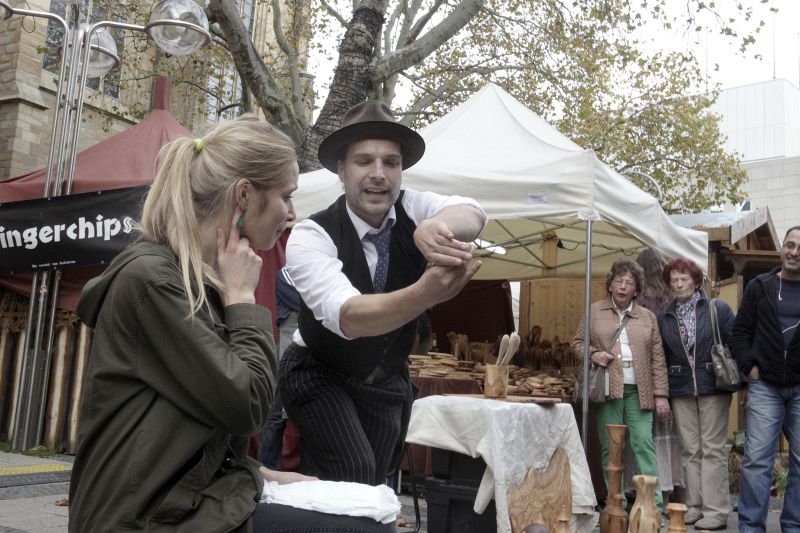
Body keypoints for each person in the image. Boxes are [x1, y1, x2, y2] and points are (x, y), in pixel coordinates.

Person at [68, 115, 395, 532]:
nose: (291, 214)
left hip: (183, 500)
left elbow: (201, 429)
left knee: (366, 514)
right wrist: (242, 299)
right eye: (286, 196)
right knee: (363, 529)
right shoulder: (153, 281)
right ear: (244, 196)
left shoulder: (193, 279)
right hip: (141, 518)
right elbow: (247, 408)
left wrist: (265, 474)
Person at [280, 100, 486, 485]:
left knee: (375, 482)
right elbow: (349, 316)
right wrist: (425, 294)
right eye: (364, 161)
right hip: (319, 373)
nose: (379, 174)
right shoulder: (312, 235)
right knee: (351, 472)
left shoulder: (414, 207)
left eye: (391, 163)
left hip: (386, 379)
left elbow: (473, 213)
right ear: (341, 170)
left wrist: (435, 226)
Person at [571, 258, 670, 510]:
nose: (623, 286)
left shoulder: (647, 317)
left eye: (629, 282)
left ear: (636, 290)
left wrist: (661, 394)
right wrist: (593, 354)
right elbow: (577, 344)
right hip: (608, 389)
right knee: (611, 447)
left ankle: (652, 503)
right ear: (610, 285)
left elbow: (658, 358)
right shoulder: (594, 311)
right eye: (619, 281)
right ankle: (616, 503)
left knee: (643, 443)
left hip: (640, 390)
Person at [731, 225, 800, 533]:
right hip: (765, 386)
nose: (794, 252)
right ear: (781, 248)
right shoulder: (760, 286)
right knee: (757, 460)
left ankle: (794, 525)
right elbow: (740, 332)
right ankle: (750, 527)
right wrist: (750, 368)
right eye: (790, 245)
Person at [658, 257, 735, 530]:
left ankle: (716, 511)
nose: (679, 284)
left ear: (696, 281)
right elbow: (663, 356)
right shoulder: (665, 317)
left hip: (713, 385)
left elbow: (735, 342)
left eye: (684, 279)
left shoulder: (717, 309)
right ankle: (694, 506)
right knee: (690, 450)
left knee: (712, 449)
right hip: (680, 388)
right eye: (674, 280)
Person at [258, 266, 301, 469]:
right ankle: (267, 468)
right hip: (290, 343)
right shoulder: (286, 274)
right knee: (276, 415)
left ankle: (311, 473)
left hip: (319, 344)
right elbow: (301, 301)